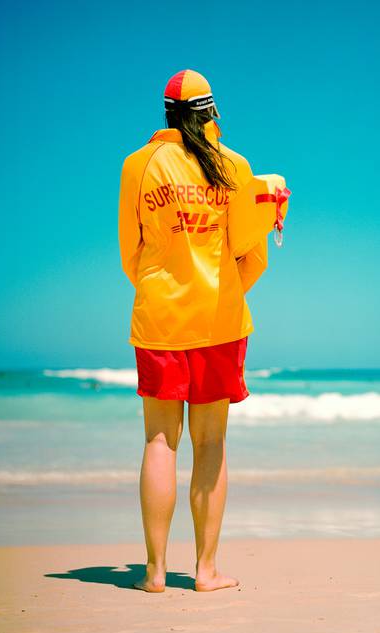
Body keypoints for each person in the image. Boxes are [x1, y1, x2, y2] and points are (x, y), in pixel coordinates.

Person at [118, 69, 284, 594]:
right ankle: (206, 571)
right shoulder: (235, 166)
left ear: (167, 113)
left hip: (160, 320)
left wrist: (162, 287)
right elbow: (252, 254)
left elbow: (131, 253)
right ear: (211, 111)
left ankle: (154, 571)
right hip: (219, 321)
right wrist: (227, 288)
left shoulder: (137, 166)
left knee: (159, 441)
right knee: (209, 444)